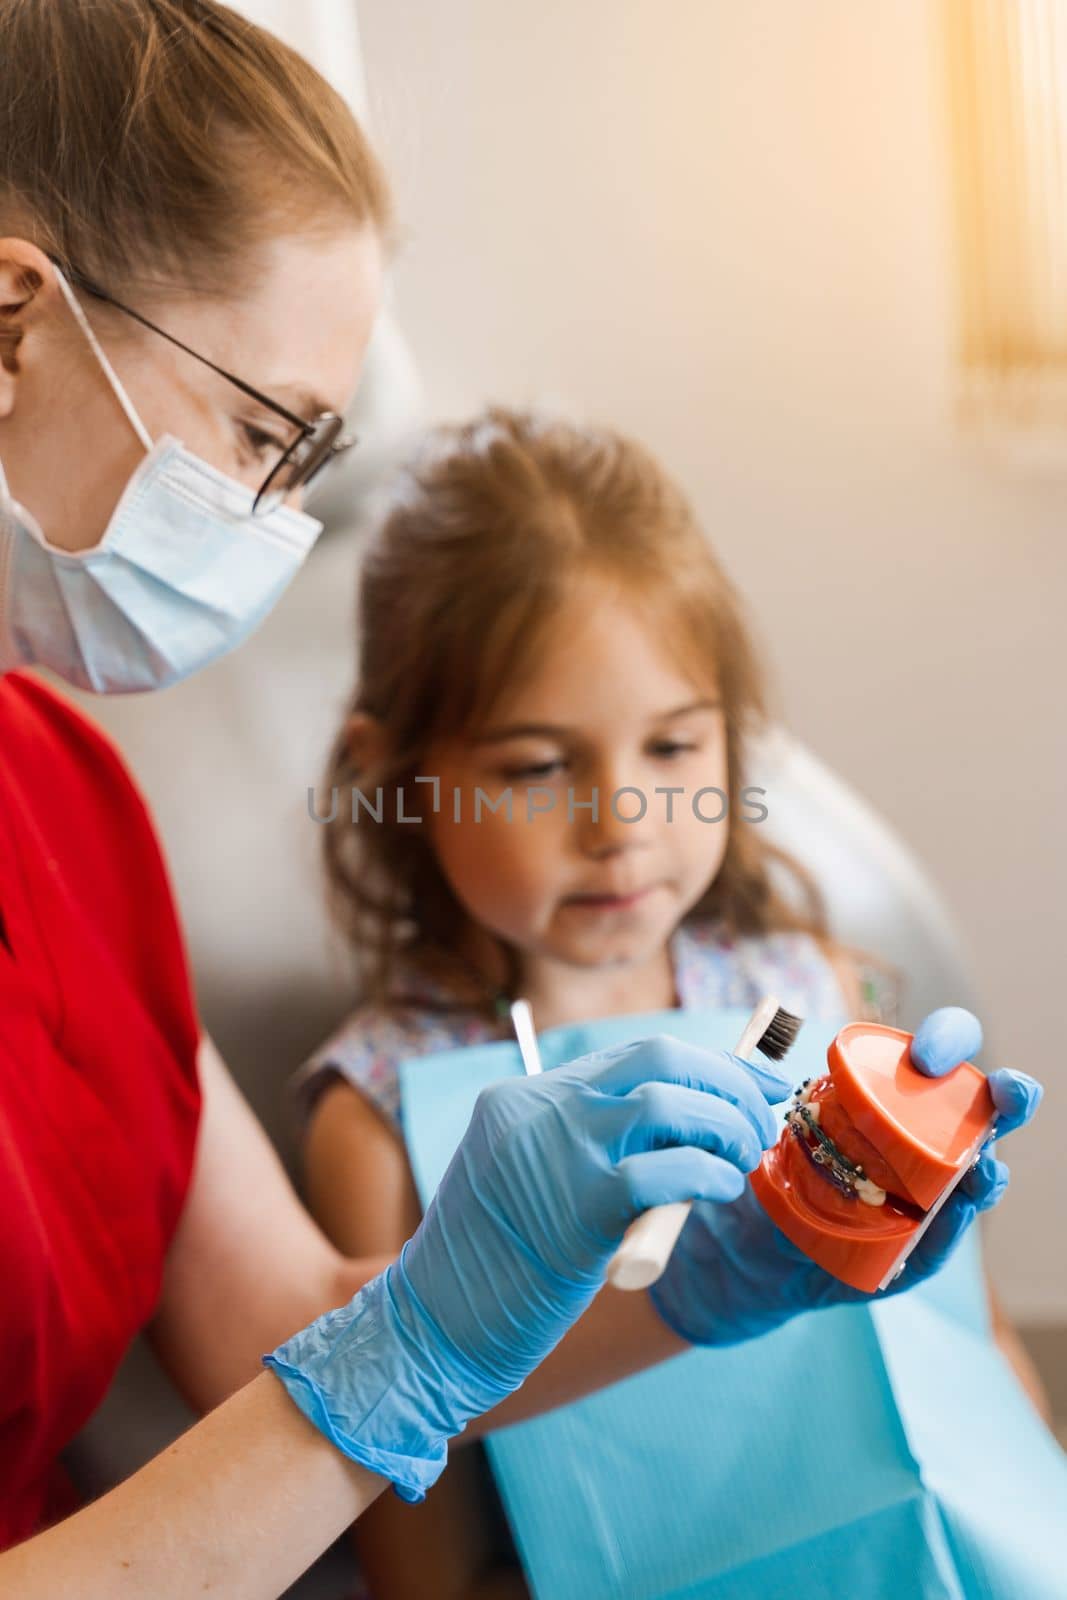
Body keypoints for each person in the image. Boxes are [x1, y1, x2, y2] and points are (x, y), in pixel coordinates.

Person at [0, 5, 1038, 1596]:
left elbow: (282, 1341)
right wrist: (404, 1352)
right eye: (260, 440)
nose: (282, 532)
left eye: (314, 464)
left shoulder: (70, 805)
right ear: (13, 320)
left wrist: (696, 1292)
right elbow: (367, 1382)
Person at [298, 408, 1050, 1598]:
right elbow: (395, 1513)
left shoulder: (807, 1002)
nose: (622, 823)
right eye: (538, 766)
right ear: (398, 773)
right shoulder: (380, 1114)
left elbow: (970, 1347)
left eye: (671, 748)